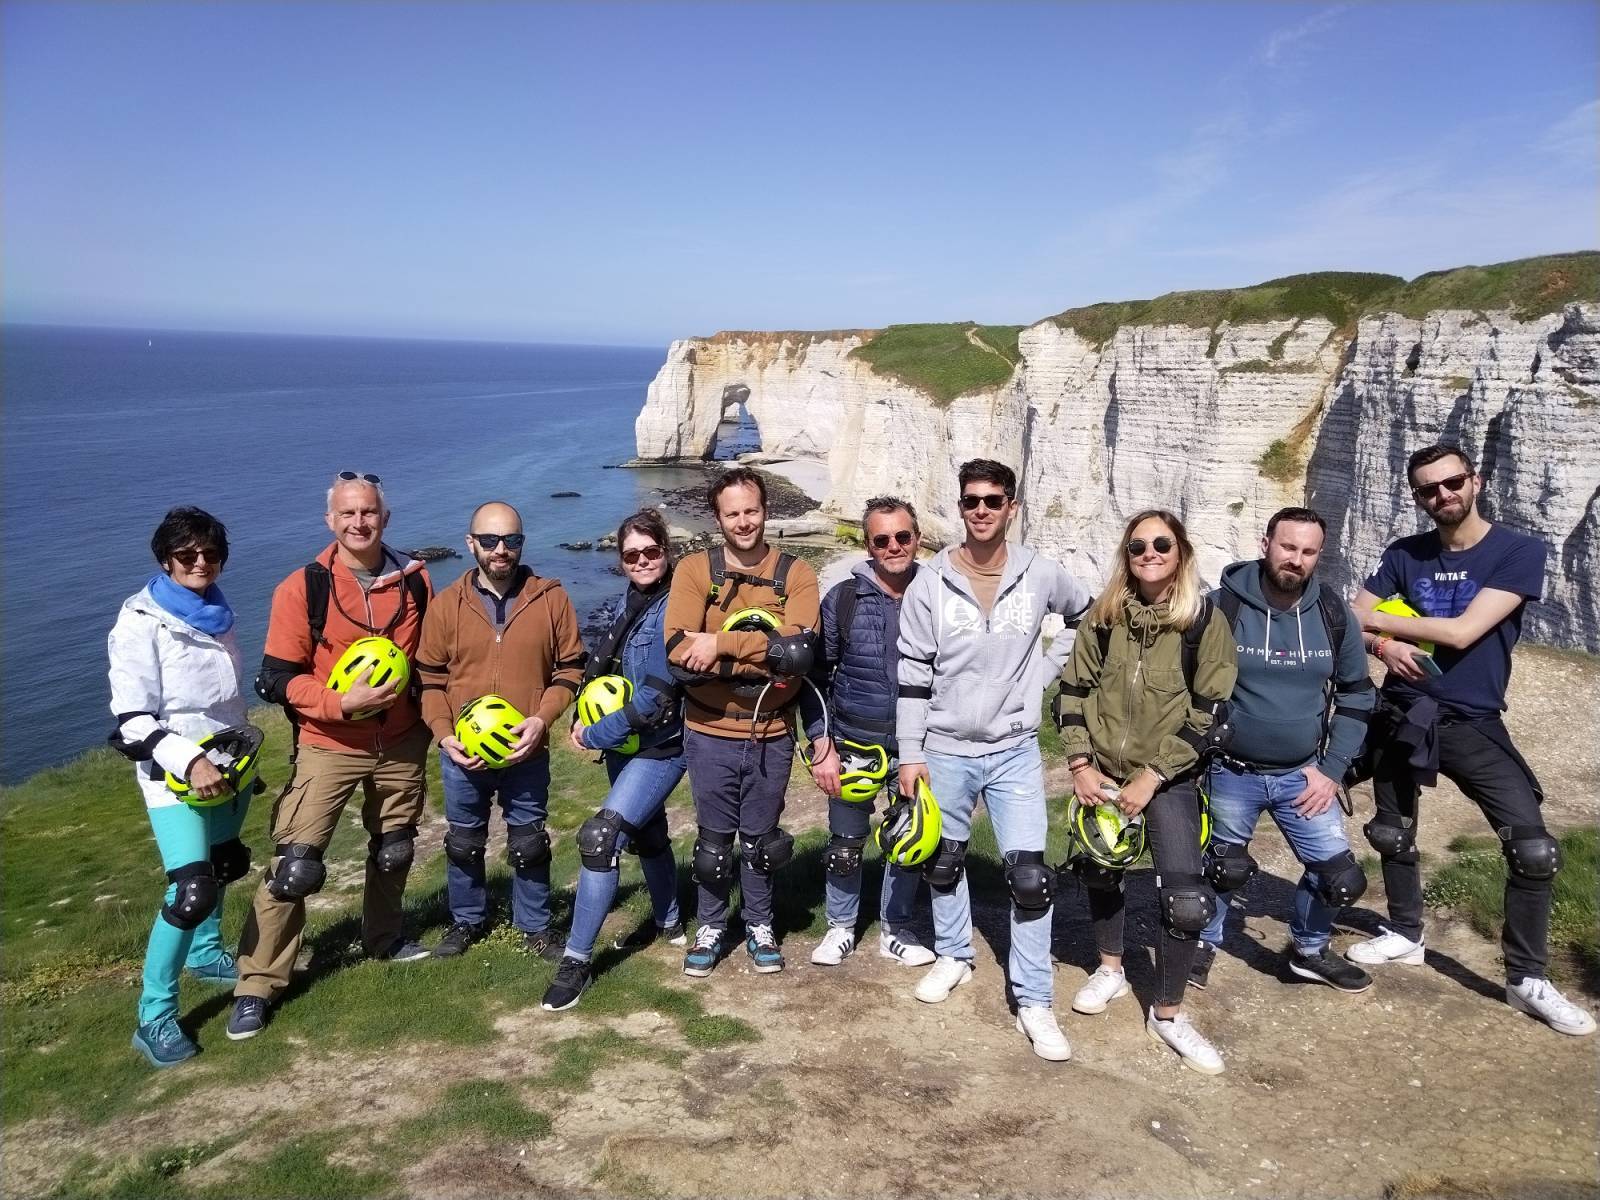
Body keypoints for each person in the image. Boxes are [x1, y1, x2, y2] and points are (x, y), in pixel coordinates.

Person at [1347, 443, 1595, 1036]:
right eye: (1428, 489)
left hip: (1472, 720)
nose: (1443, 495)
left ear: (1474, 482)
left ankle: (1526, 979)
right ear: (1418, 497)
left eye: (1452, 482)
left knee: (1533, 849)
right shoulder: (1404, 553)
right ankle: (1406, 933)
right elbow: (1351, 620)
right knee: (1391, 830)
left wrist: (1378, 623)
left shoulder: (1517, 551)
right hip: (1402, 711)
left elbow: (1461, 633)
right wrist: (1382, 645)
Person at [896, 459, 1093, 1062]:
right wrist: (909, 754)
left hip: (1014, 748)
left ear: (1012, 508)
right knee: (943, 862)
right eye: (971, 500)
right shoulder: (930, 581)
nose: (981, 510)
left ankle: (1034, 999)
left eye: (993, 500)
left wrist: (1045, 672)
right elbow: (912, 673)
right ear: (960, 507)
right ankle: (954, 954)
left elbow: (1086, 616)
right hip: (944, 746)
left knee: (1030, 877)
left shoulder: (1041, 574)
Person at [229, 473, 433, 1040]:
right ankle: (257, 985)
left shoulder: (416, 581)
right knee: (295, 864)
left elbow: (431, 657)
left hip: (401, 741)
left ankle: (384, 938)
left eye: (368, 512)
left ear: (384, 518)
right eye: (348, 514)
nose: (359, 522)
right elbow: (277, 679)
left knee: (394, 848)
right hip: (328, 743)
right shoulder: (303, 587)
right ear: (330, 521)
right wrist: (341, 704)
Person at [1057, 509, 1237, 1074]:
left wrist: (1153, 775)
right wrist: (1080, 764)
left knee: (1186, 900)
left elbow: (1209, 712)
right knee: (1101, 870)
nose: (1149, 554)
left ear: (1180, 552)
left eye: (1162, 544)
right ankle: (1110, 968)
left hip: (1169, 779)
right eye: (1138, 546)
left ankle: (1168, 1012)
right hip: (1102, 772)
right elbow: (1072, 690)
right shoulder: (1104, 616)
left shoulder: (1203, 623)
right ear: (1126, 555)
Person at [1190, 507, 1375, 993]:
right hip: (1231, 770)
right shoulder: (1220, 609)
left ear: (1319, 556)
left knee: (1341, 877)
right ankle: (1202, 942)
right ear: (1265, 544)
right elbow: (1183, 686)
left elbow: (1357, 694)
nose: (1296, 559)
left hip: (1304, 774)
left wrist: (1332, 769)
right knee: (1224, 867)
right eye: (1288, 546)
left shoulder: (1332, 613)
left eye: (1308, 551)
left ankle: (1309, 950)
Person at [109, 507, 255, 1067]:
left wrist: (238, 755)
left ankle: (207, 953)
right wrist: (189, 761)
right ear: (165, 559)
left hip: (228, 766)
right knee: (191, 891)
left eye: (210, 553)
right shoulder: (139, 622)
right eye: (186, 554)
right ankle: (155, 1017)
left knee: (223, 866)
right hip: (175, 777)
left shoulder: (216, 611)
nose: (200, 562)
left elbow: (221, 700)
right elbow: (132, 720)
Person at [664, 467, 820, 977]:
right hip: (708, 732)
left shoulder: (797, 574)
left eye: (751, 510)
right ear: (718, 518)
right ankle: (710, 926)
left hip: (771, 731)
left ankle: (759, 923)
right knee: (712, 843)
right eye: (732, 514)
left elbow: (800, 652)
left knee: (761, 840)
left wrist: (719, 645)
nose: (743, 522)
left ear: (765, 511)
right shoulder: (694, 570)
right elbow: (677, 650)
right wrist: (767, 658)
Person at [416, 501, 587, 963]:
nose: (500, 550)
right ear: (471, 543)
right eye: (490, 540)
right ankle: (466, 920)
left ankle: (534, 925)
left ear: (521, 543)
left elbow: (570, 669)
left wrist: (542, 718)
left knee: (529, 842)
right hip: (462, 753)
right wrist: (444, 734)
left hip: (524, 751)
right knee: (463, 842)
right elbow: (429, 680)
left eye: (511, 540)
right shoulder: (446, 605)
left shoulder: (550, 599)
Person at [545, 510, 687, 1010]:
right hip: (625, 744)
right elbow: (605, 667)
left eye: (651, 551)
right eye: (631, 555)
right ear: (621, 560)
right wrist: (583, 714)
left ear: (666, 551)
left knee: (600, 837)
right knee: (647, 834)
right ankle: (670, 921)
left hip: (662, 745)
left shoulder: (675, 605)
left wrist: (593, 734)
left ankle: (576, 961)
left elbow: (656, 698)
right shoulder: (630, 600)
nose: (642, 561)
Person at [802, 496, 935, 968]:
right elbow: (815, 677)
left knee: (909, 839)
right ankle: (840, 927)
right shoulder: (843, 599)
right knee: (844, 844)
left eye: (902, 536)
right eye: (882, 539)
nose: (893, 546)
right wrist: (821, 744)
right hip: (852, 739)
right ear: (868, 545)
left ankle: (895, 929)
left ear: (918, 539)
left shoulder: (937, 594)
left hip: (917, 744)